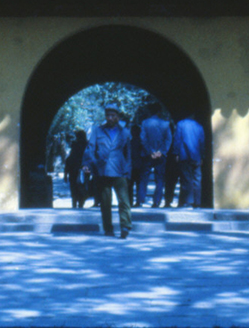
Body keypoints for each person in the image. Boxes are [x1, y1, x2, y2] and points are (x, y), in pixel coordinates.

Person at [83, 101, 133, 238]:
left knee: (124, 200)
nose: (109, 118)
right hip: (102, 170)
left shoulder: (125, 133)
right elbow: (90, 148)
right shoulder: (97, 130)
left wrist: (128, 170)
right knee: (105, 202)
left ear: (118, 116)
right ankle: (108, 228)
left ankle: (125, 227)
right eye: (107, 115)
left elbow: (128, 153)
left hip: (120, 170)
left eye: (112, 115)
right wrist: (89, 164)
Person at [137, 106, 172, 207]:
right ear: (159, 112)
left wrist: (150, 151)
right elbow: (168, 140)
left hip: (147, 155)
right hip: (161, 156)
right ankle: (156, 201)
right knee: (159, 179)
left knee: (144, 178)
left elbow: (142, 138)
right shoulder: (166, 124)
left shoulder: (145, 123)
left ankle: (140, 200)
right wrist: (161, 151)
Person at [174, 113, 204, 208]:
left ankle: (188, 201)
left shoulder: (180, 124)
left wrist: (176, 153)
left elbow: (177, 140)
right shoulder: (199, 126)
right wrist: (202, 156)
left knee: (186, 179)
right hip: (196, 156)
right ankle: (198, 202)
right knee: (197, 179)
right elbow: (202, 142)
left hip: (184, 155)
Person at [64, 130, 88, 209]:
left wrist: (66, 173)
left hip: (74, 169)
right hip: (84, 169)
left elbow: (69, 159)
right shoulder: (87, 145)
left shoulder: (75, 145)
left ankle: (75, 203)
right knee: (83, 187)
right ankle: (80, 203)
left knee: (74, 187)